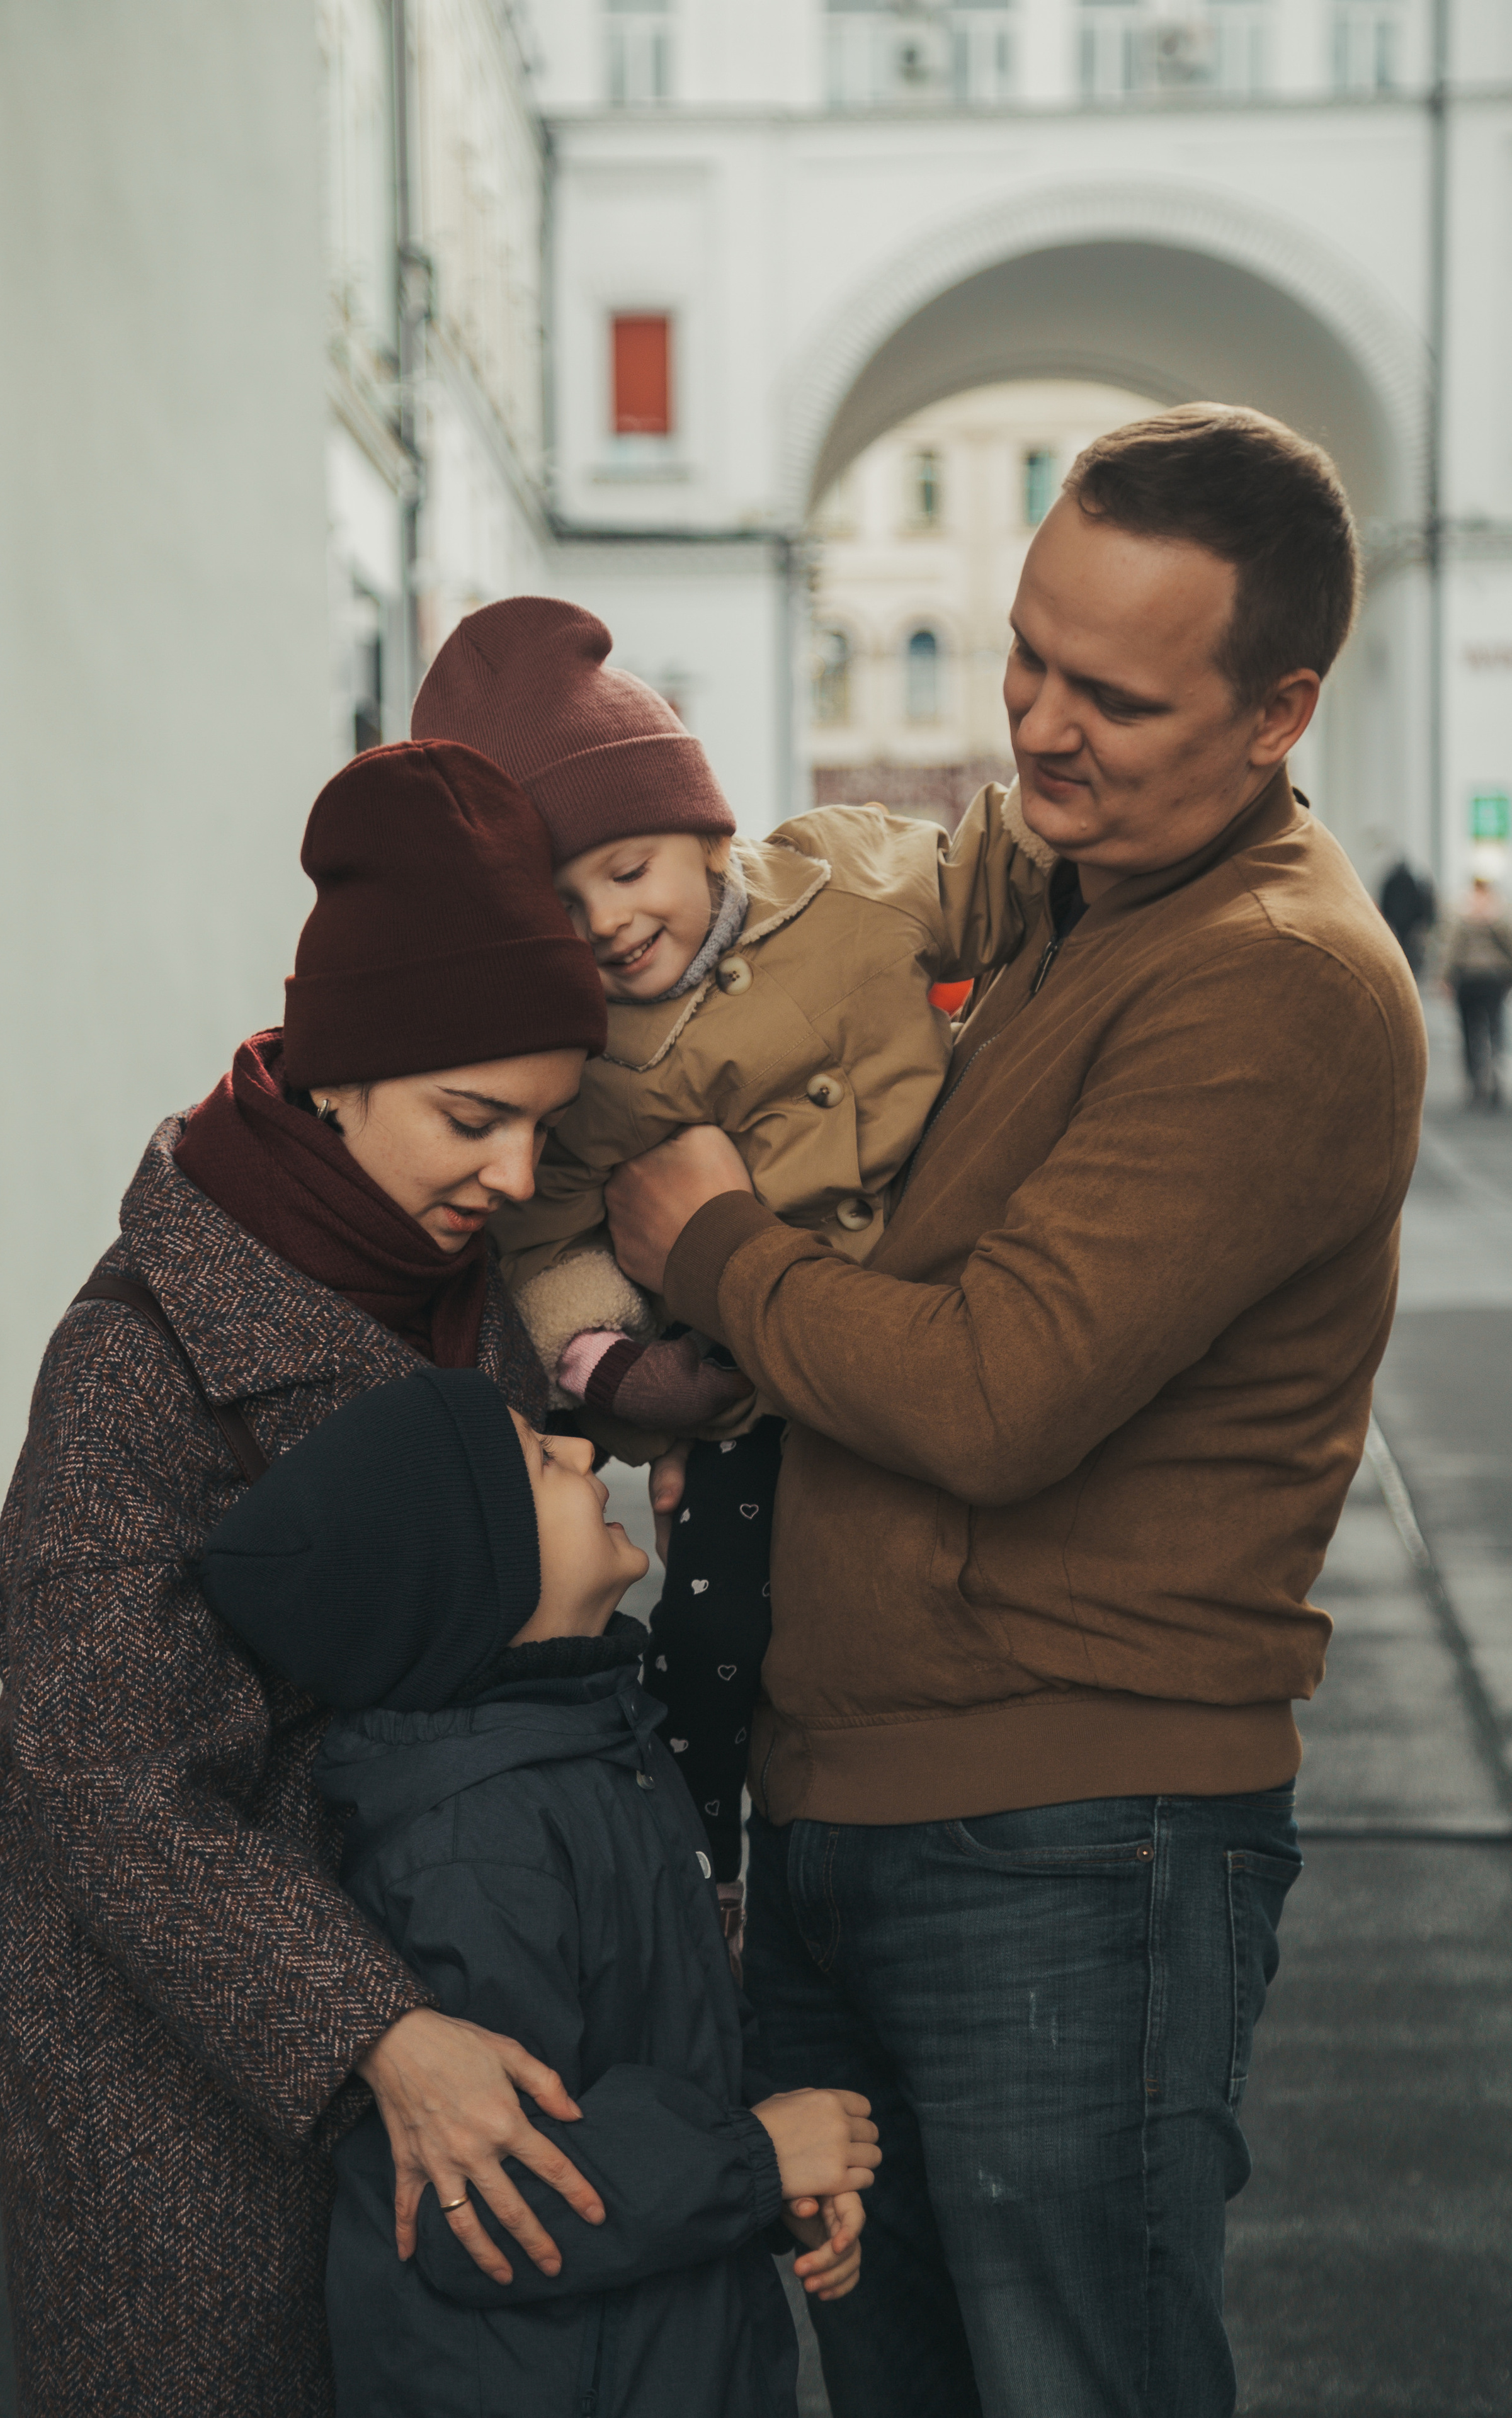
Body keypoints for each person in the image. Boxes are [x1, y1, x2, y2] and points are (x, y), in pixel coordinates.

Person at [602, 406, 1429, 2417]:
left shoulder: (1275, 974)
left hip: (1071, 1840)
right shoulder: (1065, 892)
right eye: (1027, 656)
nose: (1040, 726)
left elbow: (995, 1390)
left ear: (1279, 711)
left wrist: (714, 1245)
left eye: (1115, 698)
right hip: (856, 1800)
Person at [0, 742, 617, 2417]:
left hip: (478, 2061)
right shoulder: (141, 1358)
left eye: (542, 1127)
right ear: (338, 1075)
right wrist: (372, 2033)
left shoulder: (461, 1295)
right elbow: (110, 1784)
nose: (513, 1179)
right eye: (473, 1119)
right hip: (195, 2123)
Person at [411, 596, 1047, 1897]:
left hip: (927, 1320)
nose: (603, 920)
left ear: (704, 831)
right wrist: (620, 1373)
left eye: (627, 869)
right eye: (559, 901)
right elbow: (543, 1243)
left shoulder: (846, 879)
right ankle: (701, 1885)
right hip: (748, 1386)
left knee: (935, 1593)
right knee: (709, 1637)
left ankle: (935, 1829)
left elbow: (987, 877)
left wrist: (1099, 821)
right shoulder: (586, 1061)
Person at [199, 1361, 878, 2418]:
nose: (582, 1448)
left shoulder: (598, 1751)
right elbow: (495, 2194)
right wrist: (754, 2158)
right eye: (538, 1460)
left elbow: (664, 2041)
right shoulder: (476, 1845)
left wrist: (771, 2165)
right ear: (477, 1579)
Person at [1440, 871, 1512, 1106]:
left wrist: (1445, 977)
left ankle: (1481, 1080)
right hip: (1487, 977)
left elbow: (1450, 948)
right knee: (1488, 1030)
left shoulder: (1463, 909)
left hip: (1474, 977)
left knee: (1476, 1031)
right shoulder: (1498, 911)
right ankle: (1488, 1078)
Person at [1378, 854, 1435, 973]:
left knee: (1399, 945)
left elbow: (1385, 901)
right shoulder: (1411, 882)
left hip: (1395, 920)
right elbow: (1418, 902)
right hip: (1409, 922)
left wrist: (1387, 918)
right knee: (1408, 947)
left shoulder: (1391, 882)